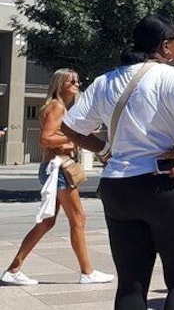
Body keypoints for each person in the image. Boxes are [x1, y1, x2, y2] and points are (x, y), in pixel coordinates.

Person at [60, 14, 174, 310]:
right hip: (165, 184)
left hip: (118, 187)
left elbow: (69, 127)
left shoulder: (106, 80)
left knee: (131, 282)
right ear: (165, 47)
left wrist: (105, 150)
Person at [1, 69, 114, 286]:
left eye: (78, 81)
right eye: (72, 81)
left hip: (54, 168)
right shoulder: (57, 107)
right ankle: (87, 272)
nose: (77, 84)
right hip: (58, 169)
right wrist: (73, 141)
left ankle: (14, 269)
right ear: (60, 84)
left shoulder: (59, 107)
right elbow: (45, 138)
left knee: (47, 222)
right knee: (78, 219)